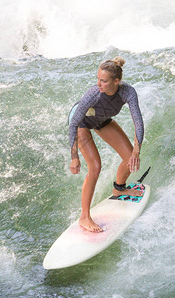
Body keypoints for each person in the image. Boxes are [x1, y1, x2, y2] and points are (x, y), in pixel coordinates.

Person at [68, 57, 144, 233]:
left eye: (103, 81)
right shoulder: (93, 94)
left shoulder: (128, 93)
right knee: (95, 166)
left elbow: (138, 122)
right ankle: (84, 217)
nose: (98, 84)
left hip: (102, 120)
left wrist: (136, 152)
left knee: (129, 157)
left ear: (116, 82)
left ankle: (119, 189)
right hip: (81, 124)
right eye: (98, 79)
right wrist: (74, 157)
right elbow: (73, 123)